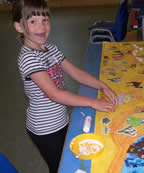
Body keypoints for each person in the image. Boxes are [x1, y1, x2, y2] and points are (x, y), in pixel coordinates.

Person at [12, 0, 118, 172]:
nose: (42, 26)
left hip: (60, 121)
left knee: (66, 158)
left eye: (45, 20)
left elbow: (76, 73)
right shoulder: (28, 58)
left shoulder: (51, 49)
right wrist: (93, 102)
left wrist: (102, 85)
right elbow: (55, 94)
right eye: (33, 21)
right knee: (59, 167)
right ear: (19, 27)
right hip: (45, 129)